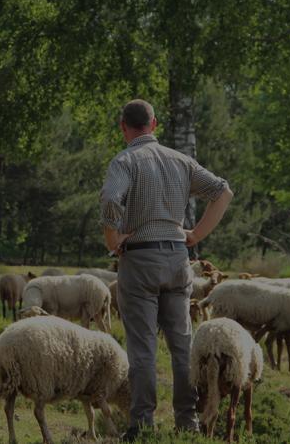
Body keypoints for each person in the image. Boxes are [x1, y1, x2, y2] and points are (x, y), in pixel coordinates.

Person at [98, 99, 233, 440]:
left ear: (123, 126)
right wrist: (196, 235)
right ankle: (187, 421)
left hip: (139, 260)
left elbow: (112, 199)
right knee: (182, 344)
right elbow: (222, 191)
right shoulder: (181, 160)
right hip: (177, 259)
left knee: (142, 348)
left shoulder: (125, 160)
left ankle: (142, 424)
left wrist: (113, 240)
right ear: (154, 124)